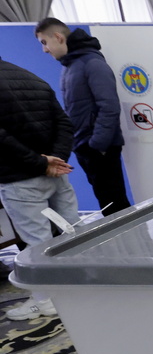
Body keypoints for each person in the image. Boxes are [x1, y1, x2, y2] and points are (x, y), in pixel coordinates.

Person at [0, 57, 80, 320]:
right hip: (55, 174)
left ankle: (44, 301)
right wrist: (54, 160)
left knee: (37, 245)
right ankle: (83, 286)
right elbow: (64, 123)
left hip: (21, 179)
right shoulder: (31, 75)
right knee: (75, 234)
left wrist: (40, 163)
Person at [35, 17, 131, 216]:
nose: (44, 50)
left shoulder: (92, 63)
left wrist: (98, 145)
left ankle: (136, 246)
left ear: (58, 37)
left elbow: (109, 107)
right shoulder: (70, 67)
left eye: (45, 42)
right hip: (85, 147)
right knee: (108, 203)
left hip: (99, 148)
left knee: (115, 204)